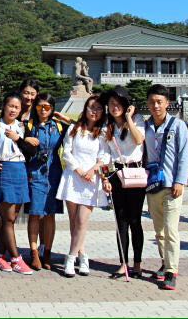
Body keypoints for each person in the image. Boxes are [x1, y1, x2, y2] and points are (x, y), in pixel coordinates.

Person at [143, 84, 188, 291]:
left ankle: (172, 271)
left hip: (172, 185)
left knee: (171, 229)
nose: (156, 106)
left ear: (167, 103)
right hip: (153, 184)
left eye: (159, 102)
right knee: (159, 231)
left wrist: (180, 180)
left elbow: (184, 154)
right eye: (152, 102)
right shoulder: (145, 126)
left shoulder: (178, 125)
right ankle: (165, 262)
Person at [56, 94, 108, 278]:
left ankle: (71, 258)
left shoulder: (103, 133)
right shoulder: (74, 128)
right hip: (73, 178)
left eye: (98, 108)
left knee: (81, 221)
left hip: (91, 181)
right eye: (91, 107)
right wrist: (78, 170)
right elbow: (67, 152)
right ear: (85, 109)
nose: (94, 111)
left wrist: (93, 170)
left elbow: (104, 156)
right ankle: (83, 255)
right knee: (74, 222)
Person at [100, 86, 146, 278]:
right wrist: (104, 177)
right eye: (111, 103)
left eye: (119, 103)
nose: (115, 107)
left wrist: (128, 118)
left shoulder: (137, 120)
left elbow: (139, 140)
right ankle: (123, 263)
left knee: (135, 220)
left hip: (135, 174)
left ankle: (137, 263)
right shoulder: (107, 126)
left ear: (126, 105)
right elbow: (104, 154)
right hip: (117, 175)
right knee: (121, 221)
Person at [0, 93, 37, 274]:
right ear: (4, 106)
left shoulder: (22, 127)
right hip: (4, 170)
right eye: (11, 106)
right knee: (8, 218)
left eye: (17, 107)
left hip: (20, 171)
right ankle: (16, 259)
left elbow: (31, 151)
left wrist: (18, 138)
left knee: (11, 219)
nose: (13, 110)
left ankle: (0, 256)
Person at [24, 93, 66, 271]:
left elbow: (83, 127)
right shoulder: (29, 125)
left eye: (47, 107)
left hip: (54, 174)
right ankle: (34, 253)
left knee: (50, 215)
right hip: (35, 172)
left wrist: (65, 119)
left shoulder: (59, 126)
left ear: (52, 109)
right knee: (34, 213)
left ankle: (47, 252)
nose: (43, 110)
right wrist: (25, 139)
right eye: (40, 106)